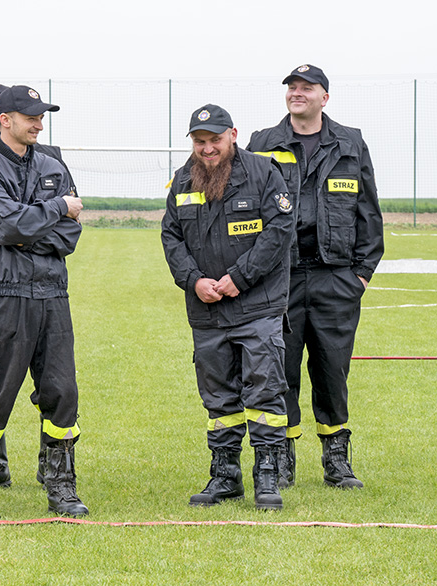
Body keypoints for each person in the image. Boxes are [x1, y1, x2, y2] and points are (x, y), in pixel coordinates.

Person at [247, 65, 384, 489]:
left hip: (335, 279)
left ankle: (336, 459)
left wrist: (360, 275)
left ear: (325, 97)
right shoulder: (262, 144)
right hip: (279, 279)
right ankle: (282, 457)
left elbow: (368, 212)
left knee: (331, 371)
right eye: (291, 88)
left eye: (307, 88)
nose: (297, 93)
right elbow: (250, 209)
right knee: (279, 369)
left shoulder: (350, 142)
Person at [0, 85, 87, 518]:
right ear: (5, 119)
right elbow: (10, 225)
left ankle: (61, 485)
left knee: (61, 392)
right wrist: (54, 210)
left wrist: (30, 228)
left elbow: (70, 236)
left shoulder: (53, 165)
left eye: (42, 115)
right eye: (31, 116)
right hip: (3, 296)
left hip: (52, 294)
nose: (39, 122)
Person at [161, 104, 294, 510]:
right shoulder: (183, 179)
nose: (207, 149)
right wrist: (193, 280)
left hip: (257, 306)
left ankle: (267, 476)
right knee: (218, 400)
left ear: (232, 135)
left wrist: (240, 277)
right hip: (207, 311)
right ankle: (225, 476)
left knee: (265, 391)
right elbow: (171, 238)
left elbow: (279, 230)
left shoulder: (263, 173)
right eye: (200, 142)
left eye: (214, 140)